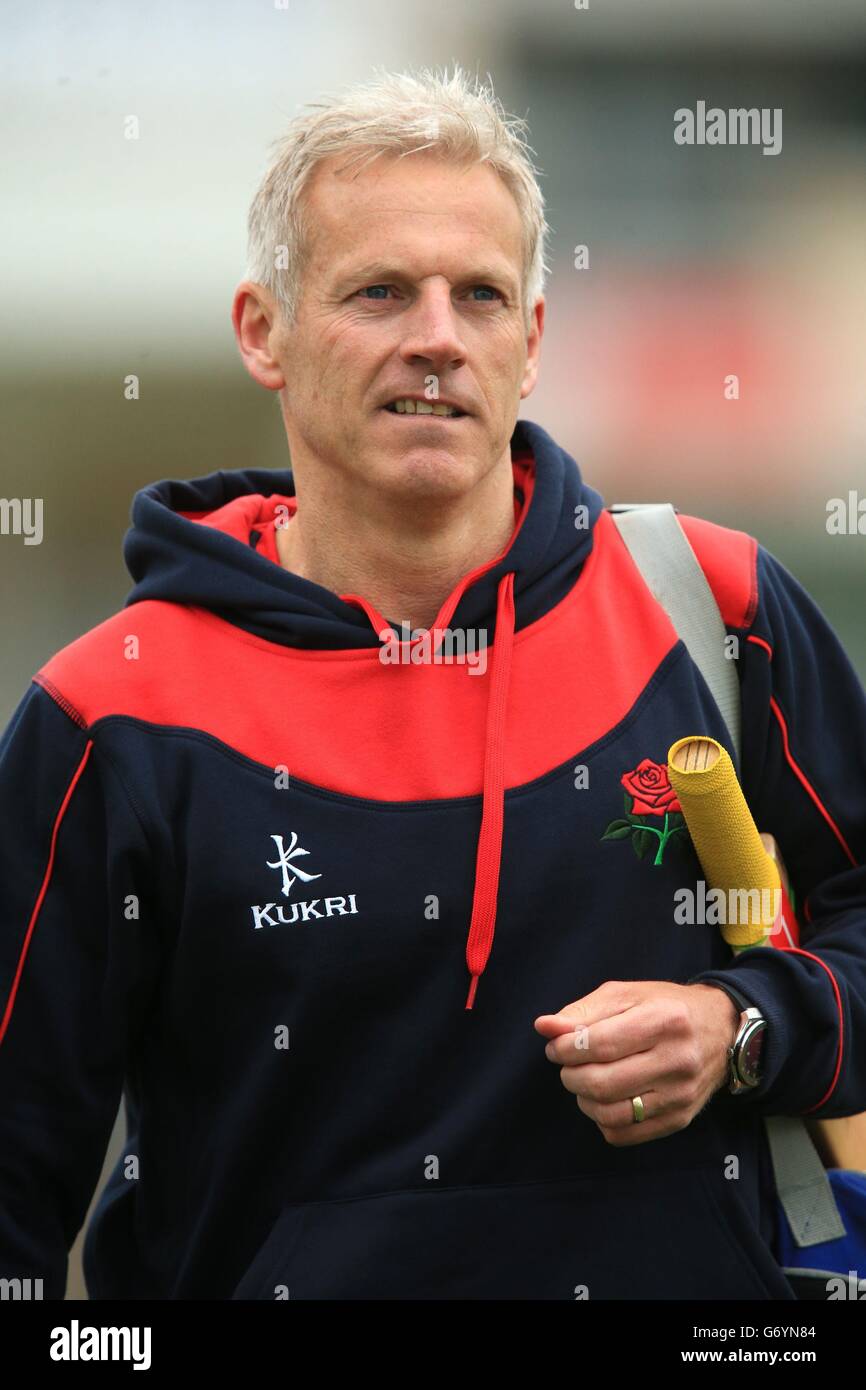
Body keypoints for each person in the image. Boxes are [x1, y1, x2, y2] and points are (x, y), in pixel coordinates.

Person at [1, 65, 864, 1301]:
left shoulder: (713, 605)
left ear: (532, 341)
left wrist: (746, 1029)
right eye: (379, 292)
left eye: (479, 295)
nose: (437, 338)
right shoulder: (115, 710)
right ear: (264, 331)